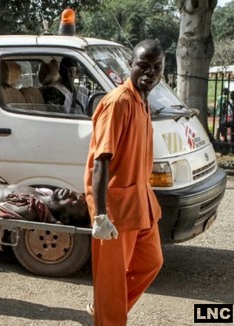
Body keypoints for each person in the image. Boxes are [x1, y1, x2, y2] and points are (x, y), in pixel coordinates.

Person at [83, 39, 165, 325]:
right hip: (115, 209)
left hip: (140, 202)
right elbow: (100, 161)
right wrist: (101, 215)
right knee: (111, 281)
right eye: (143, 65)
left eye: (157, 67)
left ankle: (107, 308)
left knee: (151, 262)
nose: (150, 72)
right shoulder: (119, 102)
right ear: (130, 66)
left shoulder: (142, 101)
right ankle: (109, 314)